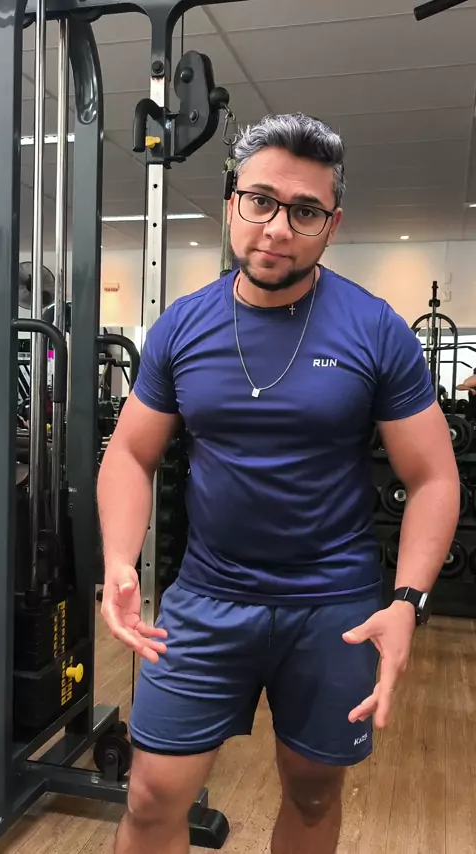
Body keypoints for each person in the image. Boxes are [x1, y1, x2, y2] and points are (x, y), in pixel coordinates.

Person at [97, 113, 460, 854]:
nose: (276, 228)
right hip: (207, 597)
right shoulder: (181, 327)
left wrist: (408, 601)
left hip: (333, 605)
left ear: (333, 224)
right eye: (260, 201)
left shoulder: (376, 329)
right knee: (151, 795)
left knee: (314, 790)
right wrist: (119, 561)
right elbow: (130, 454)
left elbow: (433, 477)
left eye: (305, 211)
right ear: (233, 201)